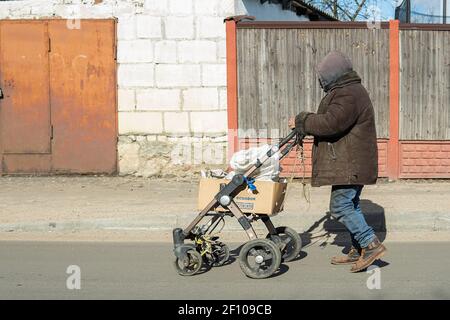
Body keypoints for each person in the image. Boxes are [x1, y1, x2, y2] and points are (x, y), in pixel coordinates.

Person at [288, 51, 386, 272]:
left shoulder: (349, 93)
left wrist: (302, 120)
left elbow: (332, 123)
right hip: (349, 162)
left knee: (340, 206)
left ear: (332, 74)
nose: (321, 81)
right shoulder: (347, 91)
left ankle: (370, 244)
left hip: (350, 163)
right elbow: (333, 121)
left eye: (322, 76)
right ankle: (358, 248)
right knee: (350, 204)